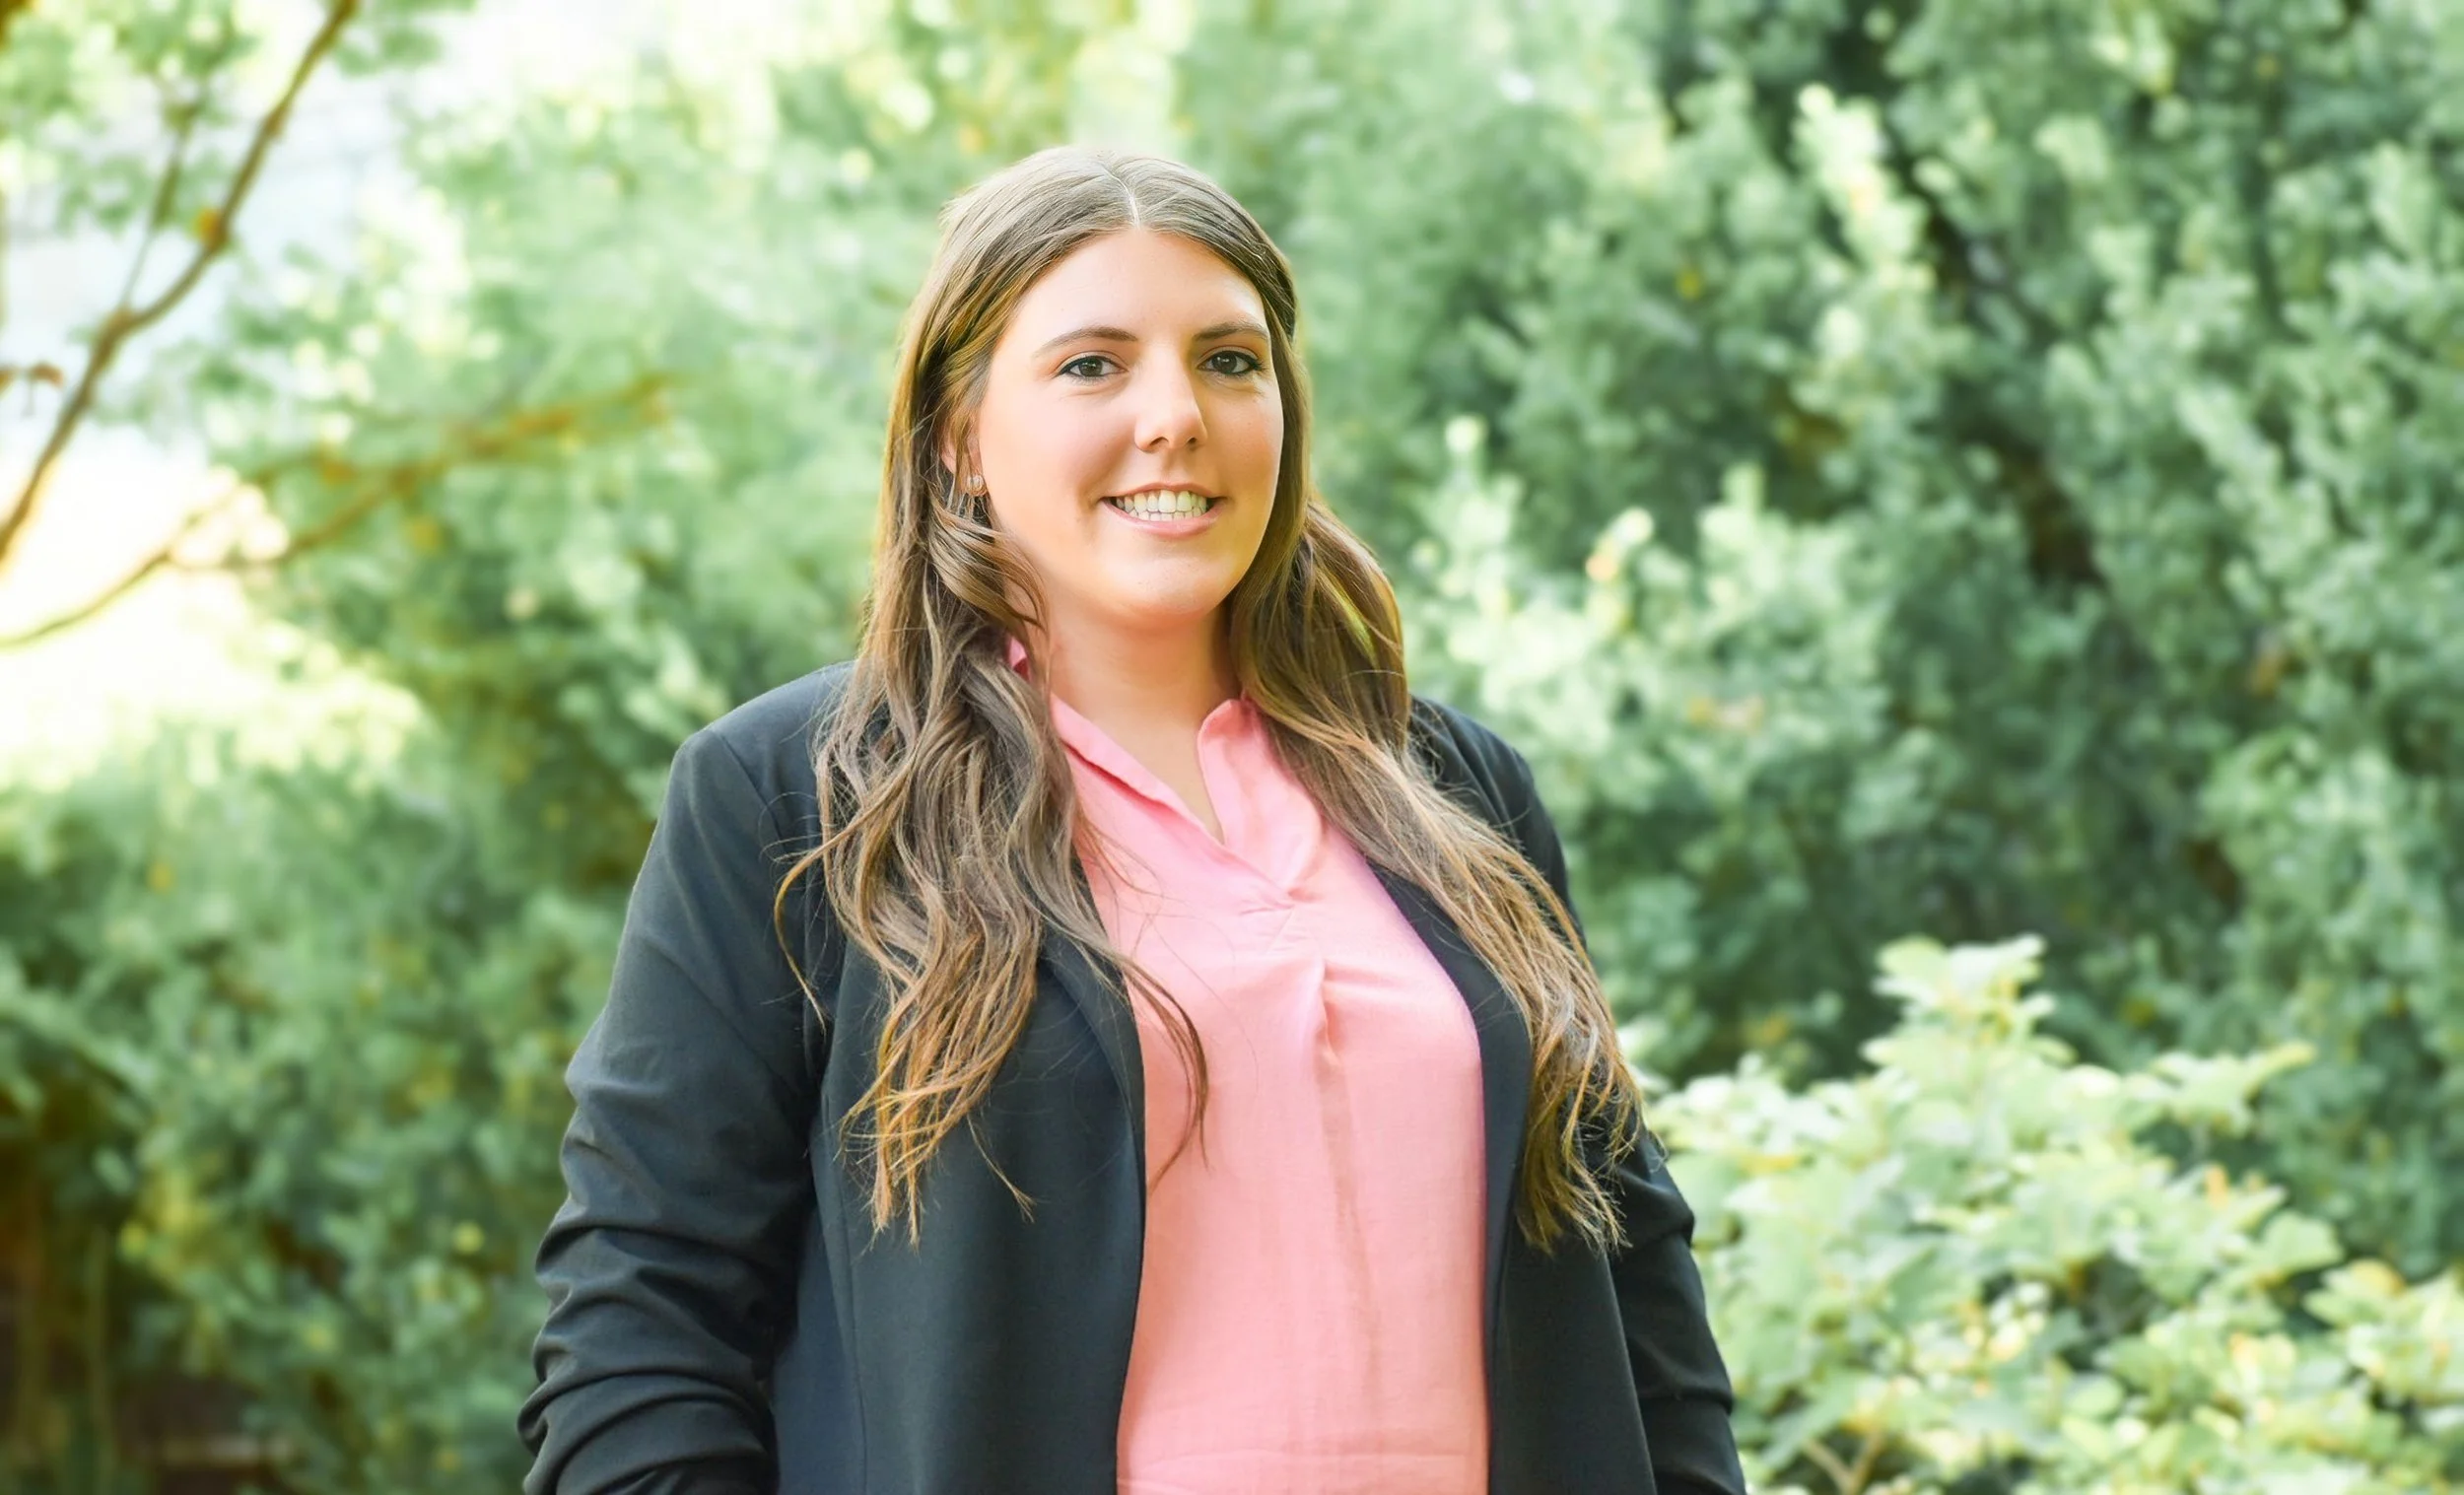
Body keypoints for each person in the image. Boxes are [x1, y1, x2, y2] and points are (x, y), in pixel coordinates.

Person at [518, 145, 1745, 1495]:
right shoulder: (796, 799)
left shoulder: (1459, 792)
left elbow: (1637, 1289)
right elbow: (638, 1330)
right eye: (1093, 365)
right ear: (957, 438)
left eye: (1229, 360)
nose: (1177, 415)